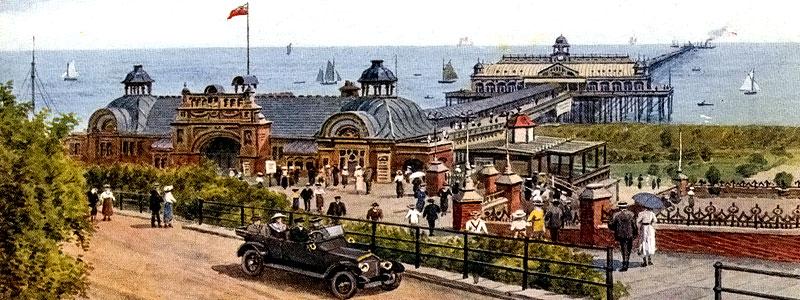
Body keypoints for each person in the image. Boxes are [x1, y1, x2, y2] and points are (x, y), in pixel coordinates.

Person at [609, 201, 637, 272]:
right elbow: (634, 225)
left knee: (624, 249)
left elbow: (611, 225)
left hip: (621, 234)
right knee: (629, 249)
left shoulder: (616, 215)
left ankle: (625, 264)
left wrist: (616, 228)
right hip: (630, 234)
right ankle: (626, 262)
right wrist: (635, 233)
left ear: (619, 207)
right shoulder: (631, 214)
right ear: (626, 207)